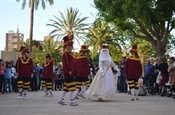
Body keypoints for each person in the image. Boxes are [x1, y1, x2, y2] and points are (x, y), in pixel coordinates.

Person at [58, 36, 79, 106]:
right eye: (70, 45)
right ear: (66, 46)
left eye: (71, 45)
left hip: (71, 73)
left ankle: (61, 99)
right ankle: (71, 101)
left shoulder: (70, 54)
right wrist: (69, 71)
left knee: (66, 88)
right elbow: (66, 64)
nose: (71, 47)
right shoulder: (65, 54)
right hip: (69, 73)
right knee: (72, 87)